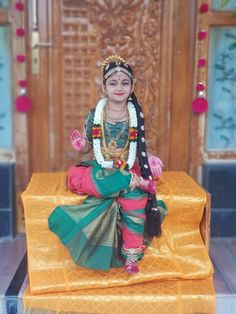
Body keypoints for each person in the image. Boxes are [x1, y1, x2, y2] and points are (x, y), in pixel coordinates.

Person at [48, 55, 167, 274]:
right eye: (113, 83)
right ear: (104, 87)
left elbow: (139, 145)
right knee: (100, 179)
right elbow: (87, 146)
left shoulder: (135, 114)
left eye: (125, 83)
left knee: (135, 200)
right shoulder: (96, 114)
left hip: (126, 165)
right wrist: (80, 144)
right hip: (102, 168)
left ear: (131, 87)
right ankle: (136, 181)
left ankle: (131, 257)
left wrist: (149, 157)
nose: (119, 87)